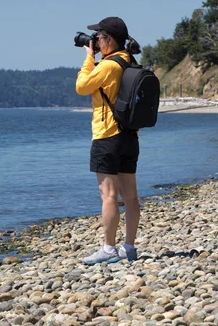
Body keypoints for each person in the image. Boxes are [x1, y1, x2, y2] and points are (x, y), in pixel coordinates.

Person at [75, 16, 141, 264]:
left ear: (109, 39)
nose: (95, 41)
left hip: (107, 136)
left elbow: (82, 86)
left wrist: (89, 57)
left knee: (109, 195)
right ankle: (129, 247)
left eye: (99, 37)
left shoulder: (107, 65)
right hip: (129, 136)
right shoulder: (128, 61)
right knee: (131, 196)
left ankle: (109, 248)